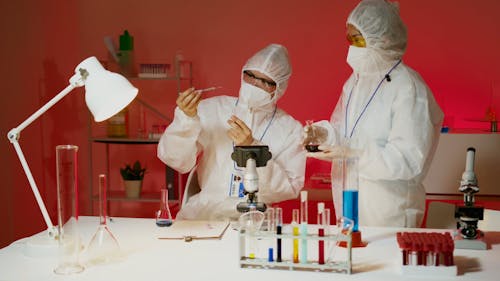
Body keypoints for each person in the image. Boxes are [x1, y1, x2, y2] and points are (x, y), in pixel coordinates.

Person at [307, 0, 444, 228]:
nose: (352, 47)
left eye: (358, 40)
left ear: (384, 40)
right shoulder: (356, 82)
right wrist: (323, 134)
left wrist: (353, 154)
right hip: (349, 204)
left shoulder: (408, 87)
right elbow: (343, 131)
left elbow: (407, 161)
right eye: (349, 39)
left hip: (390, 214)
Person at [158, 44, 306, 220]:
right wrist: (187, 119)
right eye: (250, 76)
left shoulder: (290, 129)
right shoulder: (214, 109)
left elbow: (289, 188)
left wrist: (252, 148)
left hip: (255, 218)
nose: (255, 85)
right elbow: (175, 159)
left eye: (266, 82)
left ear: (279, 87)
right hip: (204, 214)